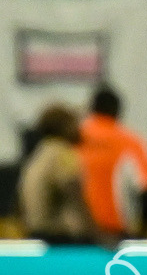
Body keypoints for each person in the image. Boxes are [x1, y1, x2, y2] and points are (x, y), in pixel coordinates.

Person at [79, 84, 147, 240]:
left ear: (91, 109)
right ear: (117, 111)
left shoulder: (73, 141)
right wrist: (143, 233)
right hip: (115, 236)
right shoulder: (130, 143)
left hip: (76, 236)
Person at [19, 102, 96, 243]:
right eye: (74, 124)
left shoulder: (40, 153)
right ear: (64, 127)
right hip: (58, 238)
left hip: (36, 234)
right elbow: (73, 190)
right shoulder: (61, 152)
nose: (79, 129)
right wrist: (96, 233)